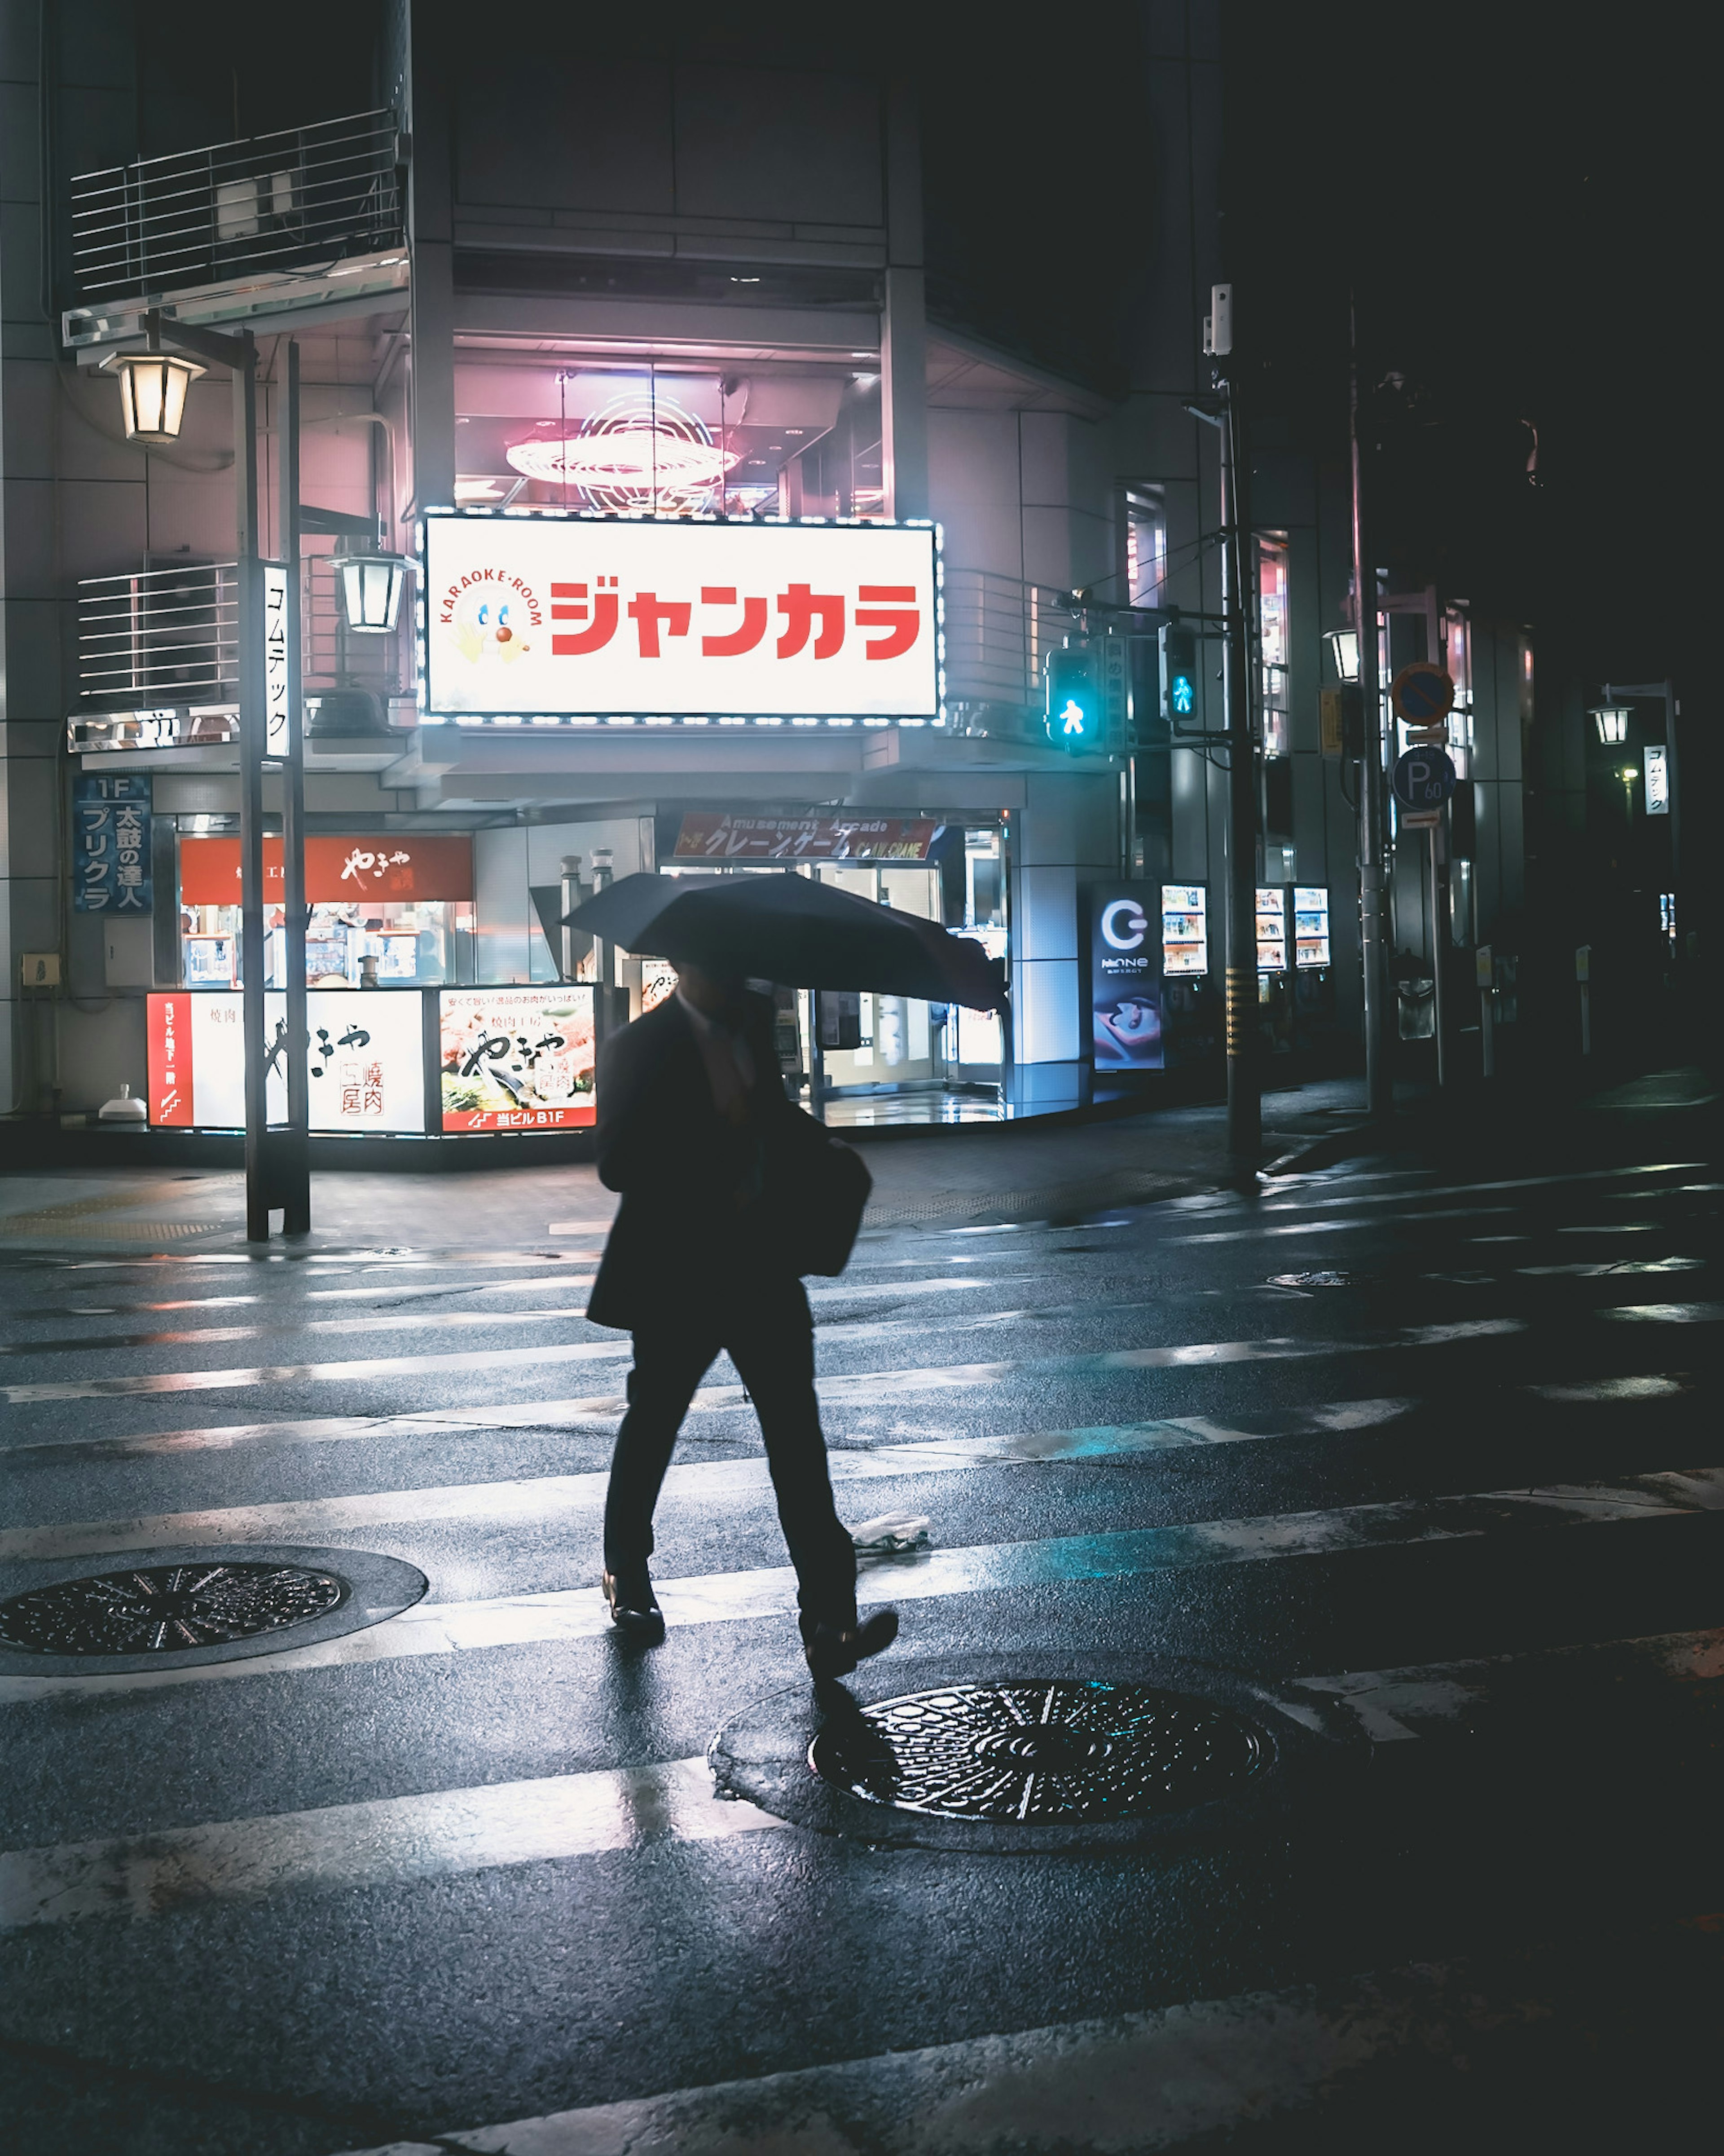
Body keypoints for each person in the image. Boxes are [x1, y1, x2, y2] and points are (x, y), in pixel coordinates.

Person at [586, 958, 898, 1681]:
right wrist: (709, 1139)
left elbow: (773, 1114)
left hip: (761, 1261)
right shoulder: (636, 1045)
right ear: (688, 968)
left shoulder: (752, 1021)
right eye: (723, 967)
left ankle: (829, 1618)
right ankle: (626, 1569)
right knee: (656, 1418)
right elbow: (616, 1162)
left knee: (796, 1433)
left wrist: (819, 1145)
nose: (739, 981)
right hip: (676, 1270)